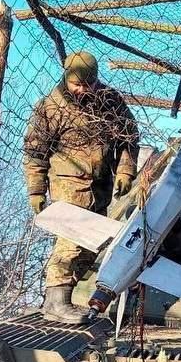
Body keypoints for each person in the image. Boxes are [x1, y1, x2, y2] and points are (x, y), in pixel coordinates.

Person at [23, 51, 139, 322]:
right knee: (71, 240)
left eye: (87, 85)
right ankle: (56, 301)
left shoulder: (110, 101)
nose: (81, 90)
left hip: (100, 185)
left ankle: (68, 299)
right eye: (77, 85)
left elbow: (128, 137)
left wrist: (125, 171)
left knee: (92, 243)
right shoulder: (50, 107)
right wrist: (36, 190)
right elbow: (35, 152)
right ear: (67, 77)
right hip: (67, 184)